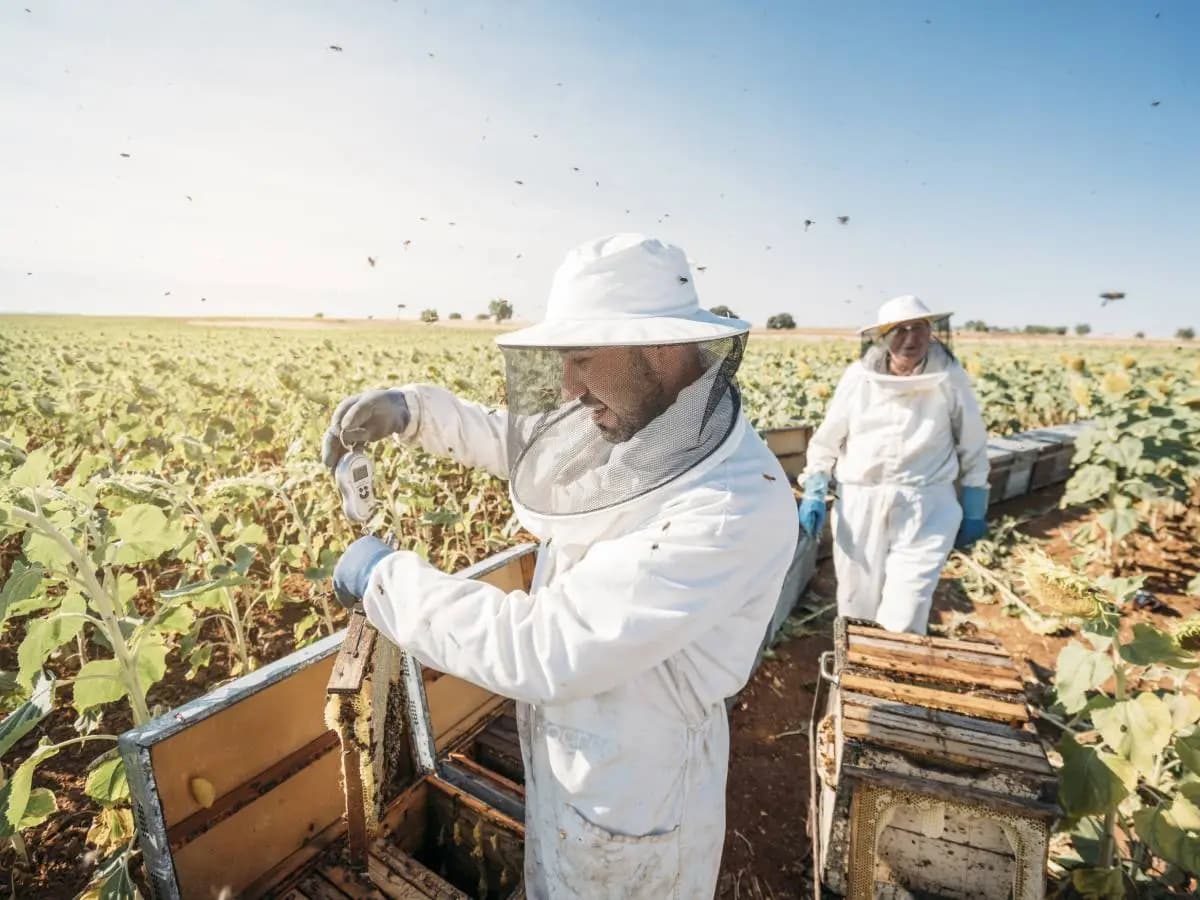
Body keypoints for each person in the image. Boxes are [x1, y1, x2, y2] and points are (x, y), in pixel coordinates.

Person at [321, 234, 798, 899]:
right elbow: (528, 447)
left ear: (656, 349)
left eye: (580, 359)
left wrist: (384, 579)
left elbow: (544, 649)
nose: (570, 387)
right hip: (577, 759)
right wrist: (414, 413)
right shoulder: (642, 418)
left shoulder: (729, 510)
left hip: (633, 798)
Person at [797, 295, 989, 634]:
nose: (910, 338)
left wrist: (975, 502)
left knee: (908, 607)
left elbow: (972, 442)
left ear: (932, 333)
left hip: (926, 505)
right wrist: (815, 484)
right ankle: (854, 676)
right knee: (857, 605)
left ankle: (892, 679)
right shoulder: (858, 377)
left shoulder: (950, 378)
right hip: (860, 503)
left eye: (918, 328)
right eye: (899, 330)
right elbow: (828, 438)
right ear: (883, 337)